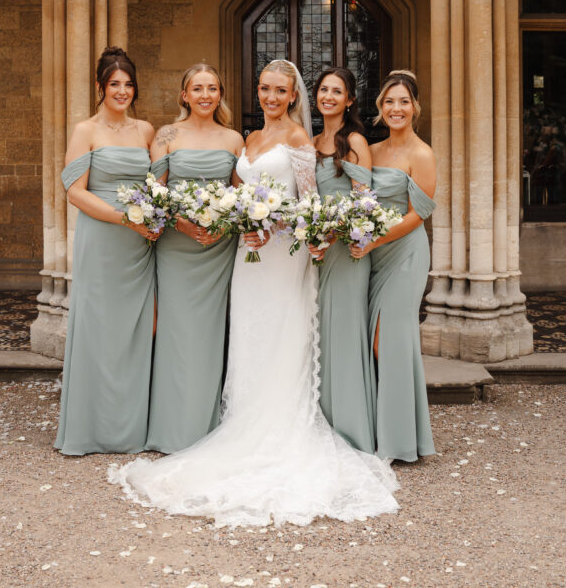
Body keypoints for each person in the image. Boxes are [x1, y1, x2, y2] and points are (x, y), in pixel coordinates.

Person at [109, 59, 399, 527]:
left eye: (279, 90)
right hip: (249, 258)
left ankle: (277, 430)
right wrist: (244, 219)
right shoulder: (248, 140)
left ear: (292, 96)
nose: (270, 97)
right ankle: (242, 421)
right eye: (264, 89)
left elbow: (307, 204)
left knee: (281, 335)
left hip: (284, 257)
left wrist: (272, 224)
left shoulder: (299, 140)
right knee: (248, 335)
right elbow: (240, 193)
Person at [55, 47, 158, 455]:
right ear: (100, 87)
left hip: (139, 245)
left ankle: (130, 427)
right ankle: (91, 428)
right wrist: (123, 218)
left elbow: (156, 185)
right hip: (103, 238)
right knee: (99, 330)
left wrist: (149, 219)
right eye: (114, 84)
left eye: (128, 84)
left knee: (135, 330)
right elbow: (74, 193)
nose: (122, 91)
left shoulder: (145, 131)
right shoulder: (85, 130)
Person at [145, 64, 243, 453]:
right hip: (177, 245)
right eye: (197, 88)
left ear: (220, 94)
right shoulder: (166, 135)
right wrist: (181, 224)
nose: (205, 95)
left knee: (210, 334)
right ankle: (172, 426)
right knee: (177, 331)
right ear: (184, 95)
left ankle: (208, 426)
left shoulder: (235, 139)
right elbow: (153, 193)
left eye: (212, 88)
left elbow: (241, 196)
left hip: (218, 248)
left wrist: (224, 225)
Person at [351, 70, 436, 462]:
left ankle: (401, 440)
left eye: (403, 101)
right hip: (375, 253)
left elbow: (418, 214)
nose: (396, 108)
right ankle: (390, 431)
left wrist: (372, 241)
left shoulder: (422, 153)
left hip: (404, 254)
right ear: (380, 107)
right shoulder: (374, 149)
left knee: (390, 340)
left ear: (415, 107)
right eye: (389, 102)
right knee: (376, 340)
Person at [312, 67, 375, 453]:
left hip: (346, 250)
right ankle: (325, 420)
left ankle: (352, 429)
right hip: (317, 251)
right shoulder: (312, 140)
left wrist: (336, 232)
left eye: (337, 92)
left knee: (345, 332)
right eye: (324, 90)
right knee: (321, 334)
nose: (329, 97)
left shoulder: (353, 140)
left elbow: (364, 200)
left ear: (349, 100)